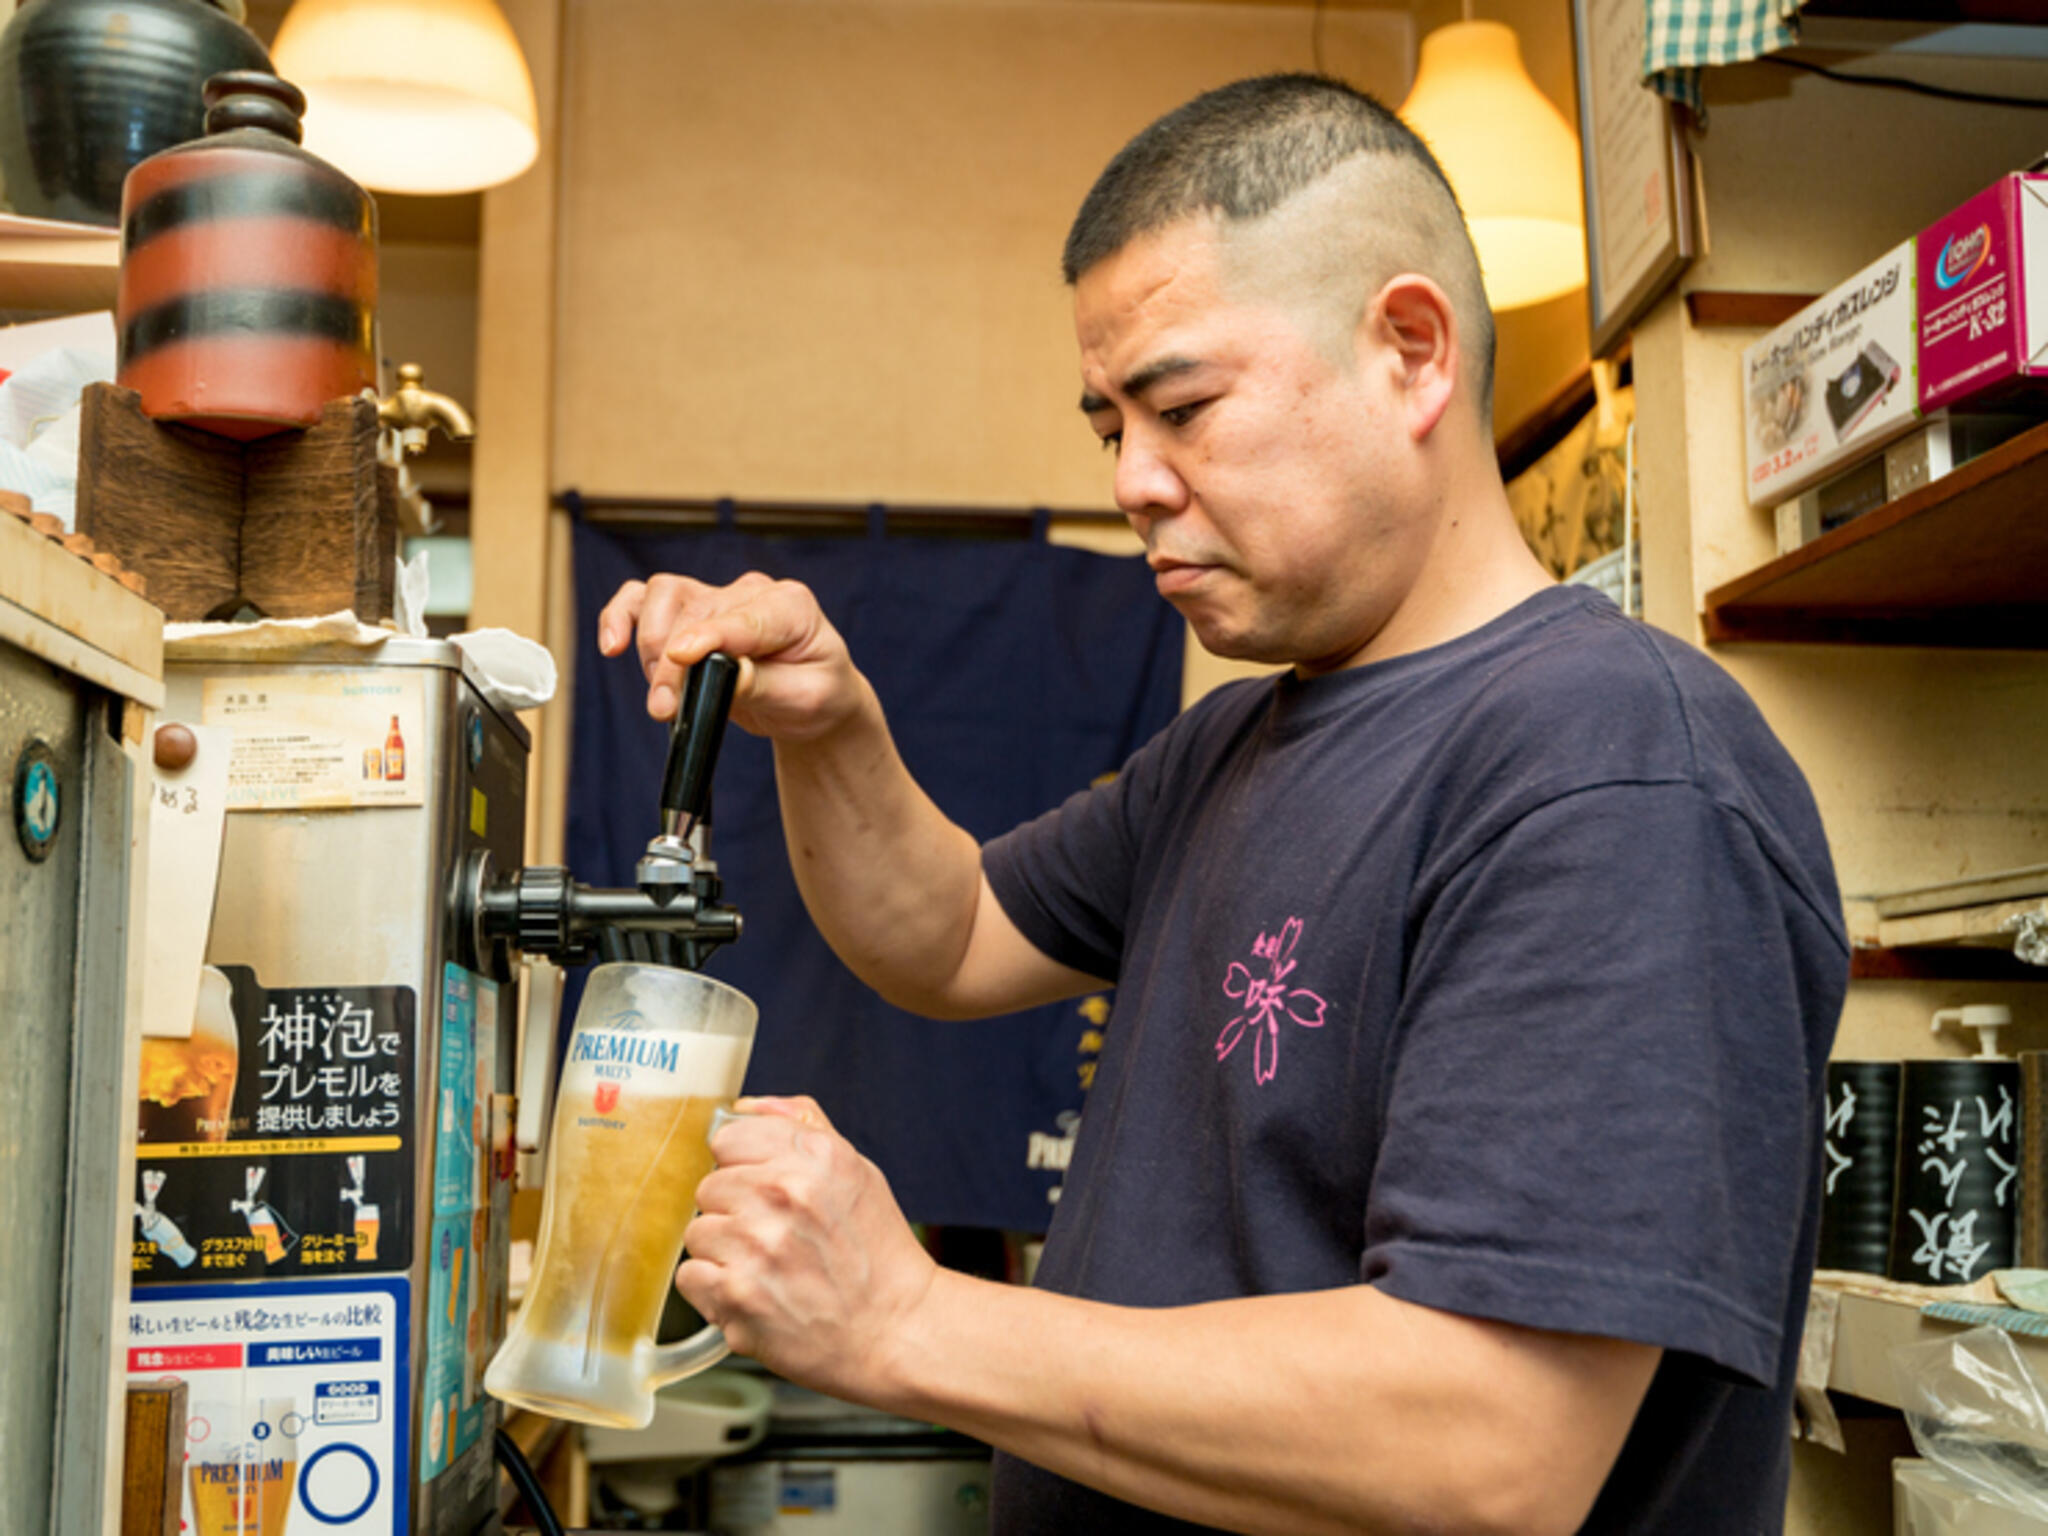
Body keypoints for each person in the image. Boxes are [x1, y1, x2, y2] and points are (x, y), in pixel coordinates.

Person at [598, 74, 1847, 1536]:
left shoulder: (1614, 765)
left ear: (1410, 351)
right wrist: (833, 727)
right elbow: (945, 935)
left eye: (1183, 408)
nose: (1133, 480)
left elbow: (1492, 1445)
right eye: (1108, 426)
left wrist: (902, 1319)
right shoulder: (1237, 741)